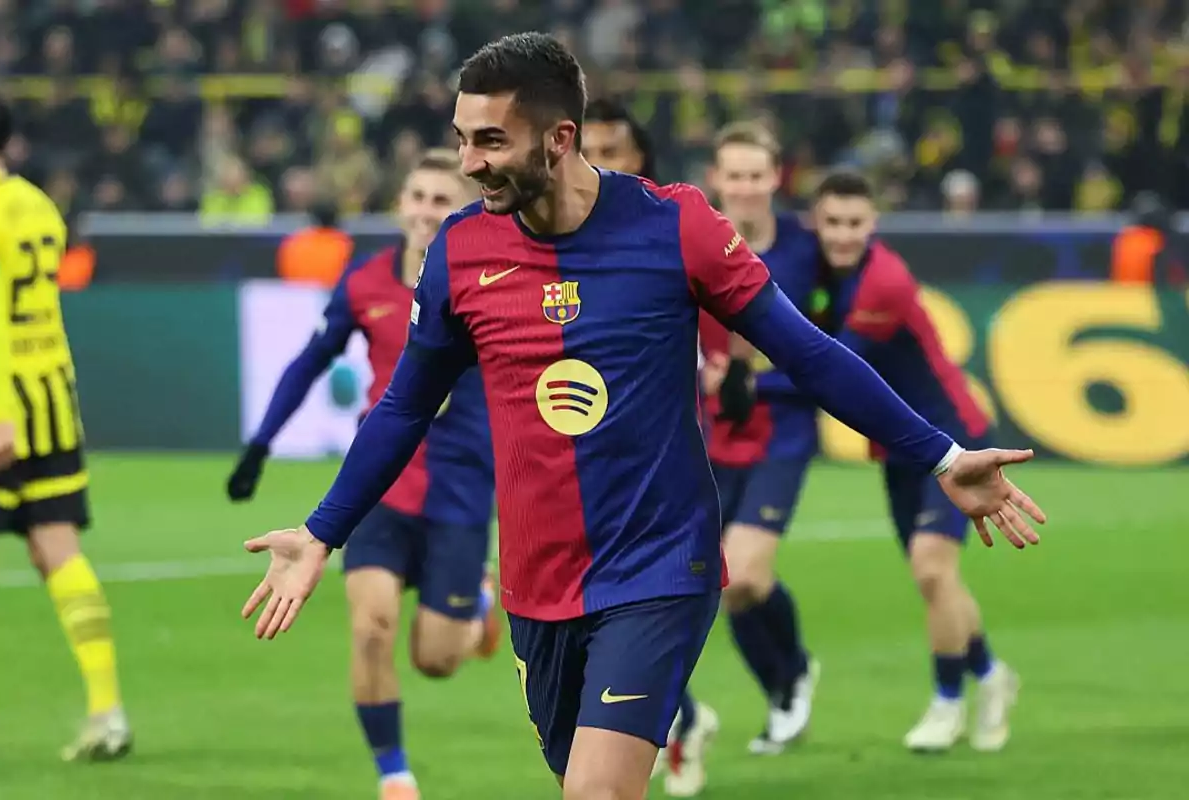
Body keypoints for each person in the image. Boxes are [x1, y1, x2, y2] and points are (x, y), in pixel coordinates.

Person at [239, 34, 1044, 800]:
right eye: (461, 138)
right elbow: (406, 403)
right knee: (583, 782)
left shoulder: (676, 225)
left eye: (489, 141)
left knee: (597, 787)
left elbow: (808, 353)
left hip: (660, 564)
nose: (467, 163)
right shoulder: (461, 252)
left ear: (558, 138)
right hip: (536, 581)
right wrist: (322, 533)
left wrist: (940, 458)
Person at [226, 149, 500, 800]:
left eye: (442, 199)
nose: (428, 211)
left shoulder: (489, 284)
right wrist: (260, 444)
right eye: (419, 197)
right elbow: (307, 363)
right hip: (381, 486)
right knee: (370, 625)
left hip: (461, 490)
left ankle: (479, 602)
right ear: (400, 206)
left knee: (435, 660)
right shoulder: (365, 283)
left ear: (462, 209)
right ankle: (394, 774)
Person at [803, 170, 1021, 752]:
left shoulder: (883, 282)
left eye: (855, 223)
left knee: (931, 568)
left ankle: (948, 704)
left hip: (955, 441)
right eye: (833, 223)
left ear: (873, 225)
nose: (844, 234)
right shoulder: (822, 276)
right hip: (903, 451)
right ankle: (993, 677)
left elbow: (831, 371)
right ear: (816, 224)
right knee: (935, 580)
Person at [0, 92, 132, 762]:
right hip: (50, 393)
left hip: (0, 403)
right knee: (55, 549)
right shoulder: (38, 205)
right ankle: (108, 711)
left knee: (53, 549)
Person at [583, 94, 717, 798]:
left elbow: (777, 332)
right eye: (589, 148)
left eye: (614, 150)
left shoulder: (675, 232)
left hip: (667, 489)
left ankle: (688, 717)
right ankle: (685, 715)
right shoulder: (538, 246)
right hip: (570, 509)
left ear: (641, 161)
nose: (598, 164)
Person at [700, 121, 820, 755]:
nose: (745, 187)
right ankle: (783, 686)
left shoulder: (807, 248)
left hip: (781, 430)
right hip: (711, 434)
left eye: (756, 175)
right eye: (734, 175)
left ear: (776, 178)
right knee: (722, 580)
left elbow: (835, 331)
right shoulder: (692, 243)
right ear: (716, 180)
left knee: (743, 574)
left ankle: (794, 669)